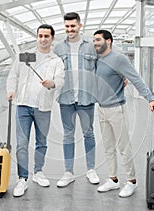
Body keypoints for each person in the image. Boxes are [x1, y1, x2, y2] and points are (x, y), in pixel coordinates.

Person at [93, 29, 154, 198]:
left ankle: (131, 181)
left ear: (108, 41)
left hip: (117, 109)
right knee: (108, 148)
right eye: (94, 40)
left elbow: (136, 78)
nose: (95, 43)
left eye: (98, 40)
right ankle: (113, 180)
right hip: (101, 109)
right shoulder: (97, 60)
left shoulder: (119, 59)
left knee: (124, 147)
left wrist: (150, 99)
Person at [6, 24, 65, 197]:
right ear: (37, 37)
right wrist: (11, 90)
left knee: (41, 142)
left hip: (43, 108)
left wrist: (51, 84)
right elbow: (13, 75)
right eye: (40, 36)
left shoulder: (56, 61)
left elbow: (60, 80)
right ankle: (22, 179)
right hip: (23, 106)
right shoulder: (25, 56)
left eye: (47, 36)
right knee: (22, 144)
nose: (43, 39)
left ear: (52, 39)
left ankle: (38, 173)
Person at [53, 12, 100, 187]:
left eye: (73, 26)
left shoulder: (91, 45)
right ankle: (68, 172)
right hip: (66, 98)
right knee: (68, 135)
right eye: (67, 26)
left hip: (86, 97)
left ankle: (91, 169)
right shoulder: (58, 48)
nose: (70, 29)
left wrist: (120, 75)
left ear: (80, 25)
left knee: (88, 134)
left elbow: (104, 62)